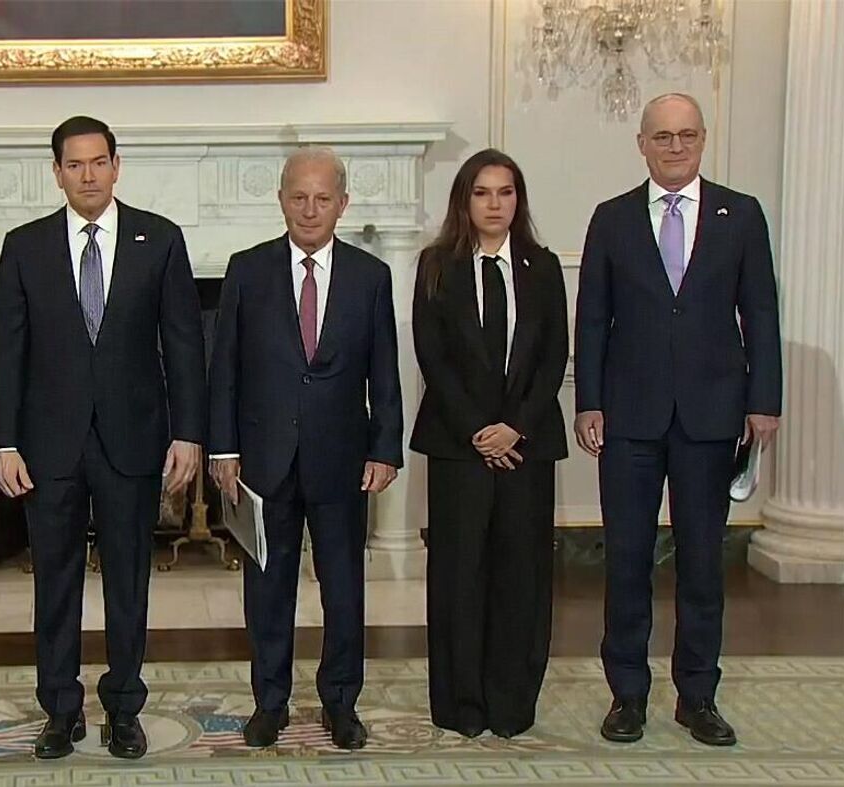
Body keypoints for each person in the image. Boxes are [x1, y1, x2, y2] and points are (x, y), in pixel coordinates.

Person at [0, 115, 207, 760]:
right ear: (57, 172)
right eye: (75, 164)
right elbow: (7, 354)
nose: (89, 175)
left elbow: (184, 344)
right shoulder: (24, 246)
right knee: (53, 583)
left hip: (132, 440)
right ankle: (60, 709)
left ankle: (124, 707)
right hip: (47, 447)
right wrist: (4, 443)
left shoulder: (159, 240)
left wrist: (188, 434)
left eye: (99, 162)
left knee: (129, 581)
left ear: (117, 166)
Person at [574, 93, 782, 747]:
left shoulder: (740, 214)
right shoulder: (611, 218)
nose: (675, 147)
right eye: (662, 136)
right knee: (627, 560)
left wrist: (764, 400)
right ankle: (627, 696)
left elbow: (762, 312)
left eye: (686, 135)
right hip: (629, 416)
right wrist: (588, 401)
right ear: (642, 143)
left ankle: (697, 697)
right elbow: (592, 318)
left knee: (701, 564)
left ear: (703, 140)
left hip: (711, 415)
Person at [207, 147, 403, 750]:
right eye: (299, 197)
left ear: (343, 204)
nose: (310, 210)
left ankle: (341, 702)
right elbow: (225, 368)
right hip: (263, 459)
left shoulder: (371, 276)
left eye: (322, 199)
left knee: (343, 588)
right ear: (281, 200)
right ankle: (270, 703)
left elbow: (385, 372)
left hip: (343, 459)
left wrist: (385, 449)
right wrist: (222, 449)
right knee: (268, 588)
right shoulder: (247, 269)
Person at [410, 148, 568, 739]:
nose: (494, 204)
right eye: (482, 193)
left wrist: (514, 426)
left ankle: (511, 704)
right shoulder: (437, 266)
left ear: (518, 200)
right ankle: (461, 705)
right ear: (465, 200)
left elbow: (553, 356)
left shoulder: (543, 267)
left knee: (520, 575)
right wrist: (479, 429)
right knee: (460, 574)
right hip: (460, 446)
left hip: (527, 446)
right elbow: (433, 356)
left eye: (505, 192)